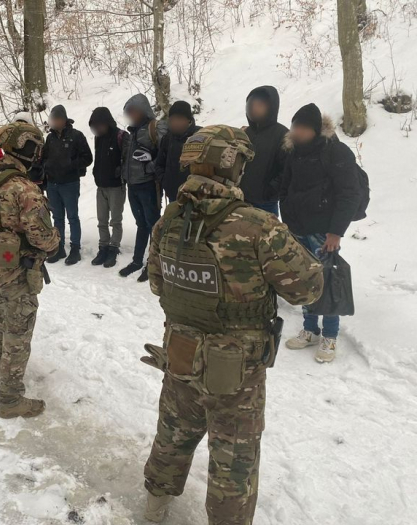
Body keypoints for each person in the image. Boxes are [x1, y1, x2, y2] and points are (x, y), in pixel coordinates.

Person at [142, 125, 324, 524]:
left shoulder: (167, 222)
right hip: (236, 369)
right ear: (233, 165)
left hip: (181, 353)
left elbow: (158, 284)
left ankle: (154, 506)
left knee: (173, 432)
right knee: (233, 459)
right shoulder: (258, 227)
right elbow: (307, 289)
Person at [0, 122, 60, 418]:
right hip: (15, 269)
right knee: (19, 329)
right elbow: (42, 236)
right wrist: (54, 241)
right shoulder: (23, 188)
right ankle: (10, 398)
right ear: (28, 147)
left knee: (2, 312)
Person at [280, 103, 362, 363]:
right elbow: (286, 188)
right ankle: (310, 329)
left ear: (316, 130)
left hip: (324, 231)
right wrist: (288, 223)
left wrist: (335, 232)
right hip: (298, 229)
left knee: (326, 282)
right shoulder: (293, 152)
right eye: (295, 126)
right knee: (305, 281)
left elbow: (350, 194)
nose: (297, 132)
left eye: (303, 128)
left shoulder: (336, 152)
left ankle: (330, 335)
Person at [120, 94, 168, 282]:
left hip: (149, 185)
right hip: (133, 185)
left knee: (153, 226)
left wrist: (150, 166)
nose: (130, 115)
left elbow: (165, 156)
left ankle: (153, 263)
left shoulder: (155, 128)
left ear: (143, 110)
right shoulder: (133, 132)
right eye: (128, 112)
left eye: (132, 111)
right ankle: (137, 260)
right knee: (141, 224)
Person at [42, 105, 93, 265]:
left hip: (70, 183)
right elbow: (43, 158)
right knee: (57, 217)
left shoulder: (76, 136)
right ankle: (59, 248)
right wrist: (46, 165)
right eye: (53, 119)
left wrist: (70, 164)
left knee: (72, 217)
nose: (54, 122)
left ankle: (75, 249)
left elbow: (88, 158)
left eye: (57, 119)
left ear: (64, 120)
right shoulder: (49, 138)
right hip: (53, 184)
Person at [88, 107, 128, 268]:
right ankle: (103, 246)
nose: (97, 129)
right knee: (101, 220)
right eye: (94, 126)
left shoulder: (121, 136)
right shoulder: (99, 139)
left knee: (116, 221)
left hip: (116, 187)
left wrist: (121, 172)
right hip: (101, 186)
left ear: (107, 123)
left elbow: (128, 160)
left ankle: (114, 247)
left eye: (99, 125)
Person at [240, 86, 289, 216]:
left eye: (260, 105)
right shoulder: (244, 133)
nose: (254, 109)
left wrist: (271, 192)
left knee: (267, 235)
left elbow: (288, 170)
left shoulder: (283, 134)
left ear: (271, 107)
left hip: (265, 204)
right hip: (240, 200)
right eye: (251, 105)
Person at [154, 101, 201, 203]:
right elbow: (159, 164)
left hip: (196, 197)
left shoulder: (200, 136)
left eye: (179, 119)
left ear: (188, 120)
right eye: (172, 120)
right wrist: (165, 182)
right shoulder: (167, 138)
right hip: (173, 196)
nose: (175, 123)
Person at [13, 111, 45, 190]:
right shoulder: (11, 139)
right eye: (19, 123)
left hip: (34, 178)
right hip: (17, 179)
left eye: (23, 123)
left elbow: (42, 158)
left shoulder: (36, 138)